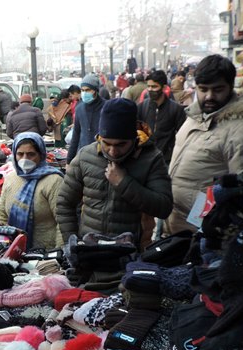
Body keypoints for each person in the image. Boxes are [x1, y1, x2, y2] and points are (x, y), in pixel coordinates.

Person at [166, 54, 243, 234]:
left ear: (231, 87)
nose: (209, 96)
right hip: (177, 228)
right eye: (203, 89)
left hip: (205, 237)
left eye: (218, 89)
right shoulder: (194, 118)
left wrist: (205, 224)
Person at [57, 98, 173, 248]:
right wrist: (72, 244)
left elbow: (164, 208)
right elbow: (64, 204)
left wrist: (124, 183)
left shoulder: (151, 159)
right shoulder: (85, 156)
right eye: (106, 143)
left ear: (134, 138)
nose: (113, 151)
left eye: (121, 144)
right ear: (99, 137)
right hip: (90, 253)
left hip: (131, 255)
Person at [0, 132, 64, 250]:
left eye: (31, 154)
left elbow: (62, 221)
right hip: (15, 249)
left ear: (41, 155)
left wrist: (59, 251)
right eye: (20, 154)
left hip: (46, 252)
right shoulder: (11, 179)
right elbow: (2, 215)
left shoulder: (54, 181)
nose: (25, 159)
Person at [138, 70, 186, 164]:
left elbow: (182, 136)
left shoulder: (175, 109)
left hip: (167, 160)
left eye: (154, 86)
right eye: (148, 86)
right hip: (145, 159)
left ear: (163, 87)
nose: (150, 89)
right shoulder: (142, 106)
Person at [66, 74, 106, 163]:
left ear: (95, 90)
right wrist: (69, 160)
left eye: (88, 90)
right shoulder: (79, 108)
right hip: (83, 156)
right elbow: (76, 135)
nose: (84, 93)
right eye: (82, 90)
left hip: (101, 156)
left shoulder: (106, 107)